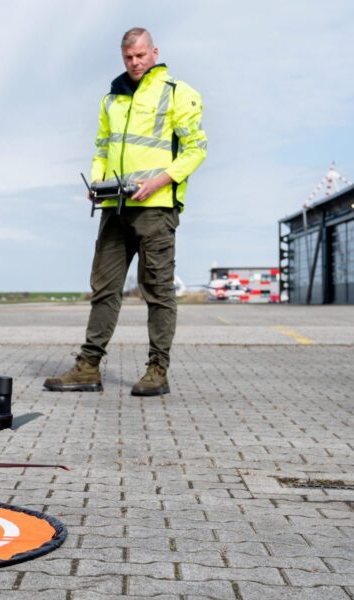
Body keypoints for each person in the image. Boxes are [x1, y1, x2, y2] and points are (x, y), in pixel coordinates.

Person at [44, 27, 207, 396]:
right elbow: (102, 149)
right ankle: (88, 367)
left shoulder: (178, 94)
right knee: (103, 289)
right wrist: (97, 183)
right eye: (128, 58)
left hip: (155, 207)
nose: (134, 63)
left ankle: (157, 370)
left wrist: (162, 181)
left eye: (140, 56)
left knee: (158, 291)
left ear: (154, 52)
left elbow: (196, 150)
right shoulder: (111, 100)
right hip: (114, 207)